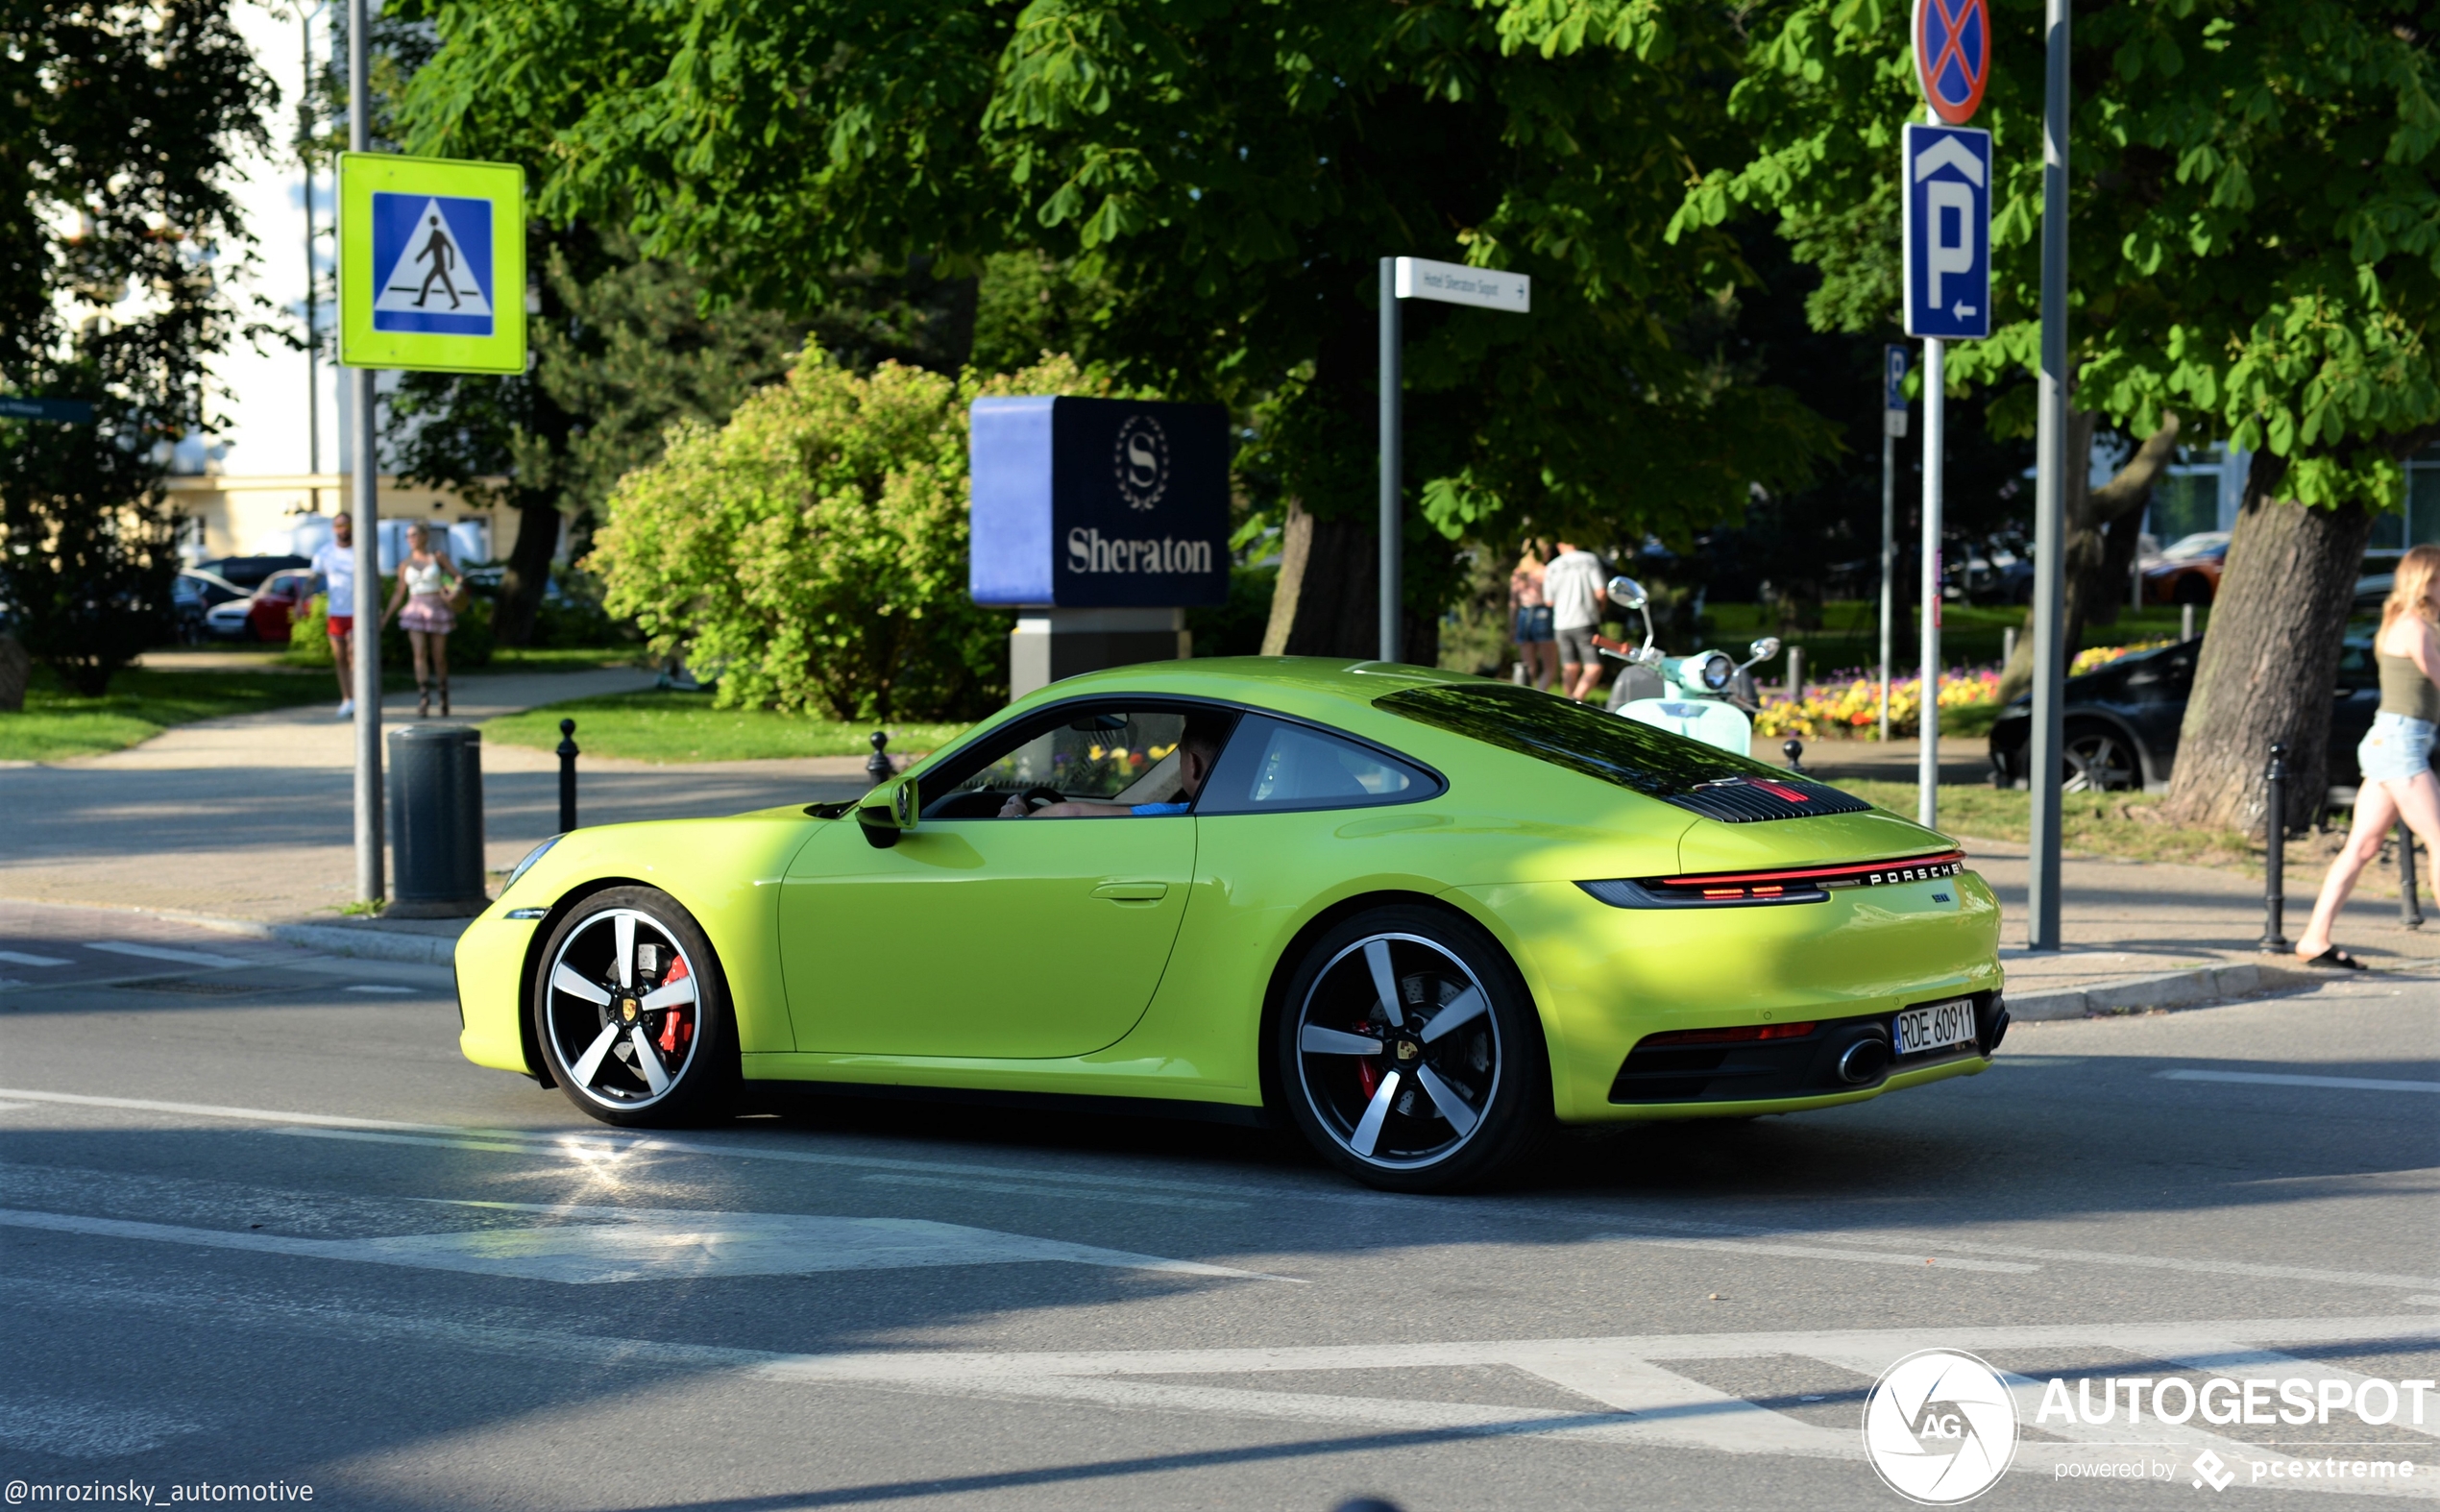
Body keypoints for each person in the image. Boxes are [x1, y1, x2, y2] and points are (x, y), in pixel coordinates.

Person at [2294, 543, 2440, 969]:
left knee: (2362, 845)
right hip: (2401, 743)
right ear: (2426, 581)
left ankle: (2313, 938)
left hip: (2390, 739)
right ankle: (2314, 936)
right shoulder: (2414, 626)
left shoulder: (2409, 621)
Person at [998, 719, 1227, 817]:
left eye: (1180, 757)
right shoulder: (1243, 809)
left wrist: (1018, 819)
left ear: (1193, 764)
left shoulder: (1180, 815)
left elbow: (1070, 813)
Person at [381, 522, 461, 719]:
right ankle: (424, 697)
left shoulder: (438, 557)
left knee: (439, 656)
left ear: (425, 536)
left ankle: (443, 693)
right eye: (408, 536)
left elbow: (457, 577)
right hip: (415, 607)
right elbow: (399, 593)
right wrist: (385, 618)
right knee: (419, 653)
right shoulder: (405, 564)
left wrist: (454, 591)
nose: (411, 539)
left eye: (414, 535)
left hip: (436, 606)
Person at [304, 511, 357, 719]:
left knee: (354, 655)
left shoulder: (360, 551)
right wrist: (301, 601)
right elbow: (313, 579)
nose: (343, 529)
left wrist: (377, 610)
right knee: (340, 658)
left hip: (357, 612)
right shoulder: (325, 553)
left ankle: (359, 697)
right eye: (338, 526)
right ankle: (347, 699)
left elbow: (375, 580)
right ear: (333, 529)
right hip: (336, 612)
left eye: (346, 525)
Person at [1544, 540, 1608, 702]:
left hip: (1561, 623)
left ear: (1559, 545)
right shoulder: (1589, 560)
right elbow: (1600, 591)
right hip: (1585, 619)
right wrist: (1601, 608)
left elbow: (1549, 601)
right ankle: (1576, 699)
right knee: (1594, 665)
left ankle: (1569, 705)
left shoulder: (1552, 566)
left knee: (1569, 666)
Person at [1510, 548, 1556, 692]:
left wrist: (1512, 625)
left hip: (1523, 615)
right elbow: (1551, 599)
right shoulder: (1545, 571)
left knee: (1528, 666)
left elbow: (1513, 602)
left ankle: (1522, 696)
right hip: (1542, 613)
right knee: (1550, 667)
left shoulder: (1519, 573)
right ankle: (1539, 696)